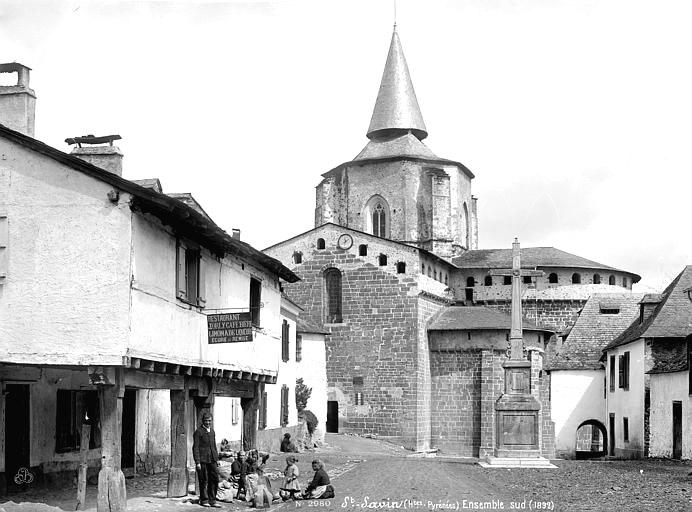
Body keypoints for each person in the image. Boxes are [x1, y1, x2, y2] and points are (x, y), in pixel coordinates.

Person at [192, 413, 221, 508]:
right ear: (203, 421)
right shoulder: (198, 432)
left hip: (212, 459)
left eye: (209, 421)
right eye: (206, 421)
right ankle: (204, 500)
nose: (208, 423)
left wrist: (217, 459)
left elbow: (214, 447)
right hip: (203, 460)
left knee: (215, 479)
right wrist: (197, 462)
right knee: (203, 480)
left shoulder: (212, 431)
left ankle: (212, 500)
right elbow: (195, 447)